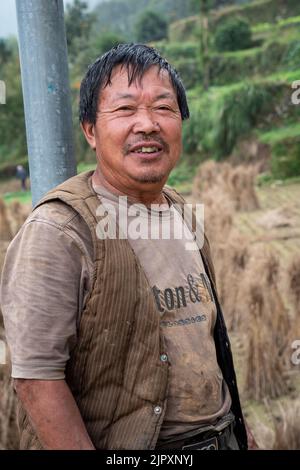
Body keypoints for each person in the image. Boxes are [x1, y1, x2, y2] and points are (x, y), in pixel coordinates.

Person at [0, 44, 256, 450]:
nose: (148, 124)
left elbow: (210, 346)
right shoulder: (59, 231)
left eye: (163, 108)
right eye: (124, 110)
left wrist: (243, 436)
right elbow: (36, 379)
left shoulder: (183, 213)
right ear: (90, 130)